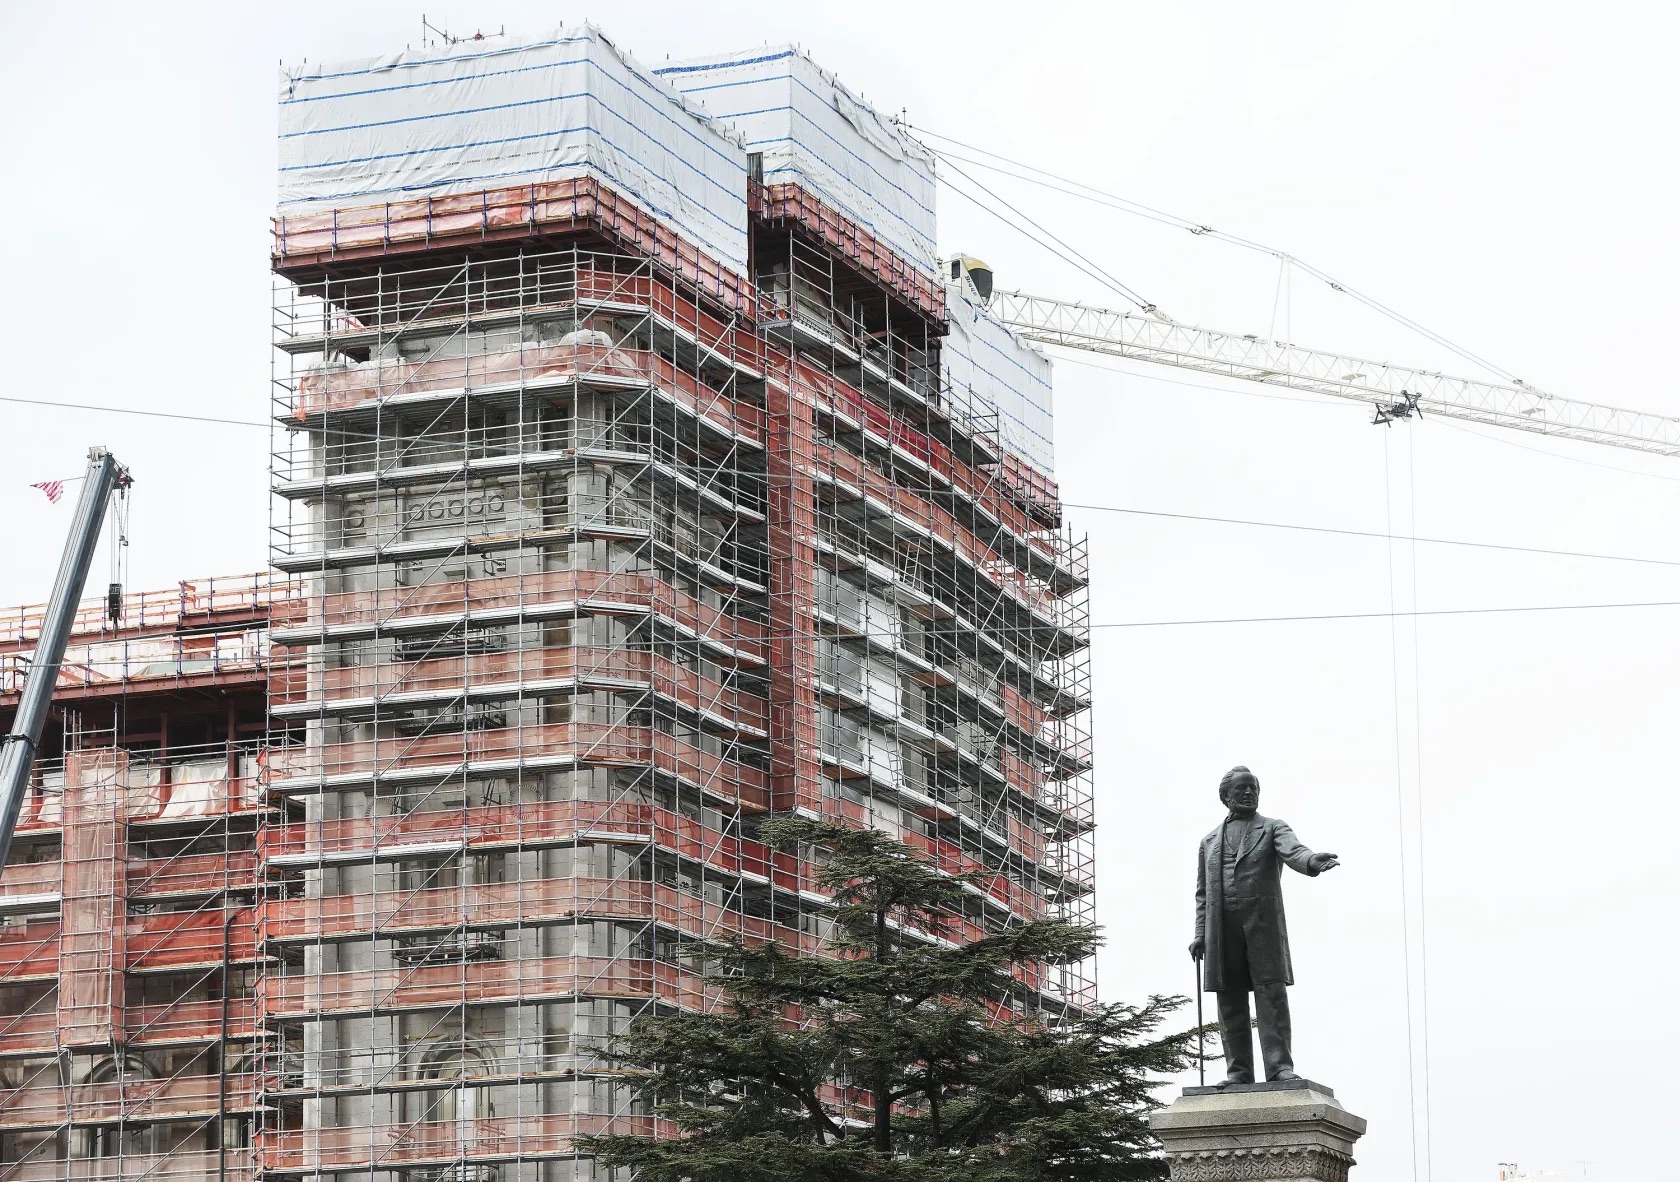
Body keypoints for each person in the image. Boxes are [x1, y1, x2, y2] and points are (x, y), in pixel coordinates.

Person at [1189, 766, 1339, 1085]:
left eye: (1253, 788)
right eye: (1241, 789)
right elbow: (1202, 892)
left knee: (1271, 996)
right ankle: (1238, 1071)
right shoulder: (1209, 841)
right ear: (1225, 796)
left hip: (1262, 925)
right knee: (1229, 1001)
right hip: (1221, 930)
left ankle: (1279, 1066)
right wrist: (1200, 934)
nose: (1248, 793)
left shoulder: (1272, 828)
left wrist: (1311, 861)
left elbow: (1294, 850)